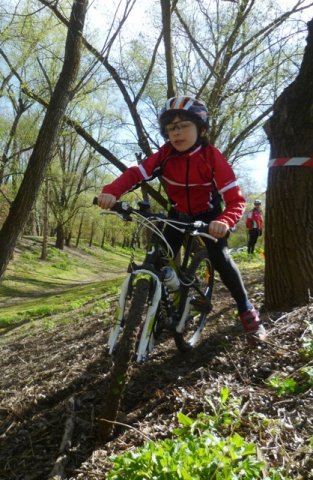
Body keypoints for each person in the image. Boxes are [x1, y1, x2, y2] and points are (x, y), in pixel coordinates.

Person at [97, 95, 266, 341]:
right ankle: (167, 310)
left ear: (201, 128)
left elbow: (236, 200)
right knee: (157, 262)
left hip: (210, 217)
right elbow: (137, 173)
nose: (177, 132)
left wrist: (225, 221)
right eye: (171, 127)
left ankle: (246, 310)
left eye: (184, 125)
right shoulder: (165, 154)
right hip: (177, 214)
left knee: (222, 260)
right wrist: (112, 191)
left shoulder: (211, 156)